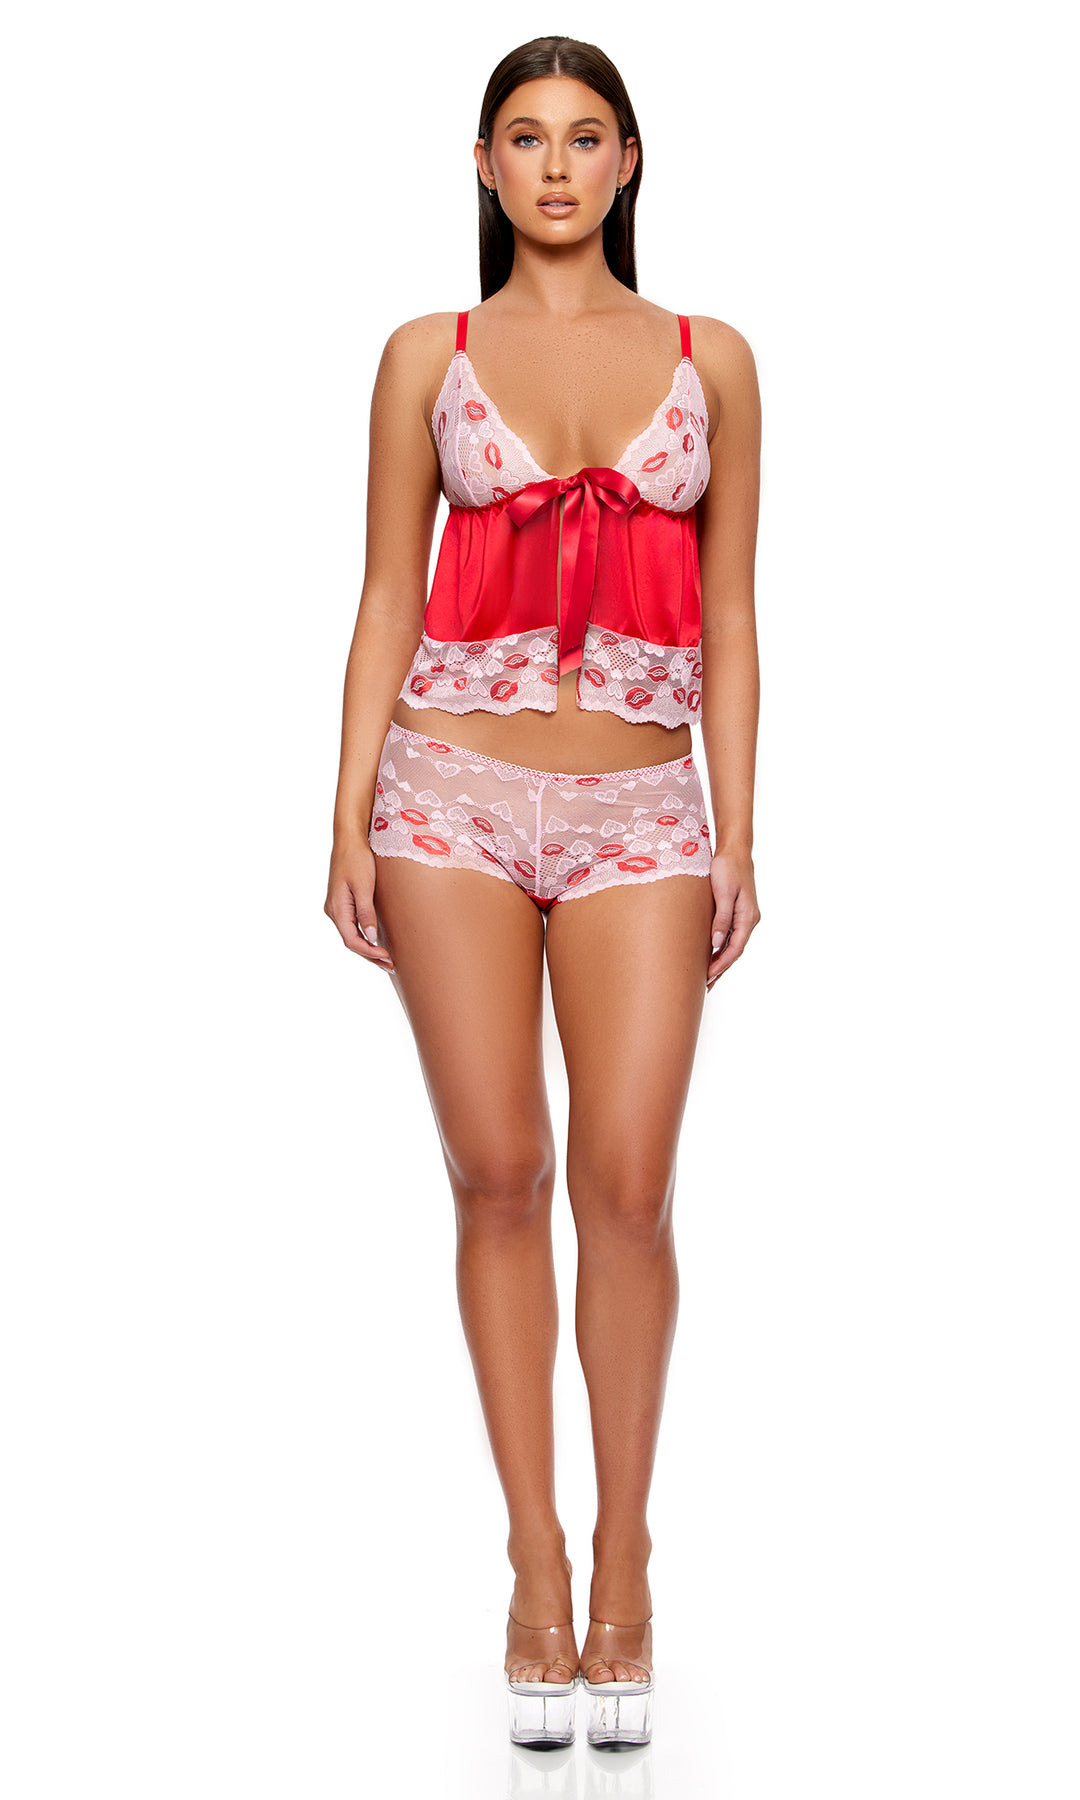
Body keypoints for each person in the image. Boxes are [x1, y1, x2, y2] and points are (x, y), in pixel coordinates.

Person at [324, 35, 761, 1751]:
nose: (558, 166)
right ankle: (534, 1564)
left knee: (630, 1188)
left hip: (644, 805)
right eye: (527, 137)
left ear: (630, 161)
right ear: (486, 165)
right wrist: (346, 816)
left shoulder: (713, 360)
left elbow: (734, 614)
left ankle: (628, 1557)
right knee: (498, 1174)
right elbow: (384, 595)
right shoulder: (423, 356)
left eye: (587, 137)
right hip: (450, 794)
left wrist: (740, 829)